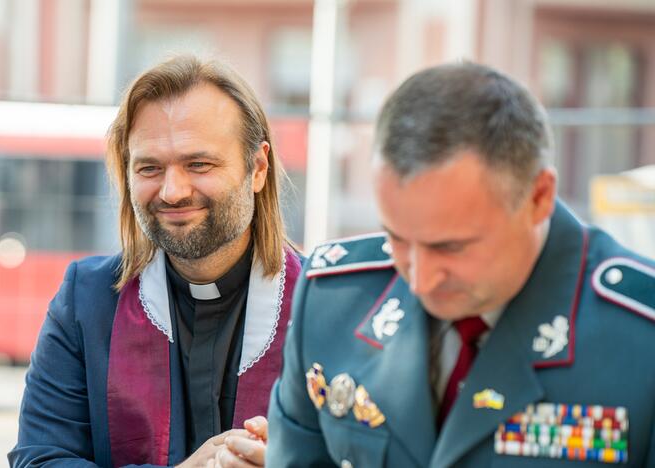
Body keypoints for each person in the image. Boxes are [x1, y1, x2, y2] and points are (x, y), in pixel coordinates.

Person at [266, 62, 655, 467]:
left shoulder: (641, 339)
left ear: (538, 197)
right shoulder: (334, 303)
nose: (420, 278)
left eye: (451, 247)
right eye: (397, 238)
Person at [9, 55, 302, 468]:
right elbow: (39, 459)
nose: (172, 191)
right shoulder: (87, 301)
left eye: (198, 164)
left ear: (257, 169)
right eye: (150, 167)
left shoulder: (324, 306)